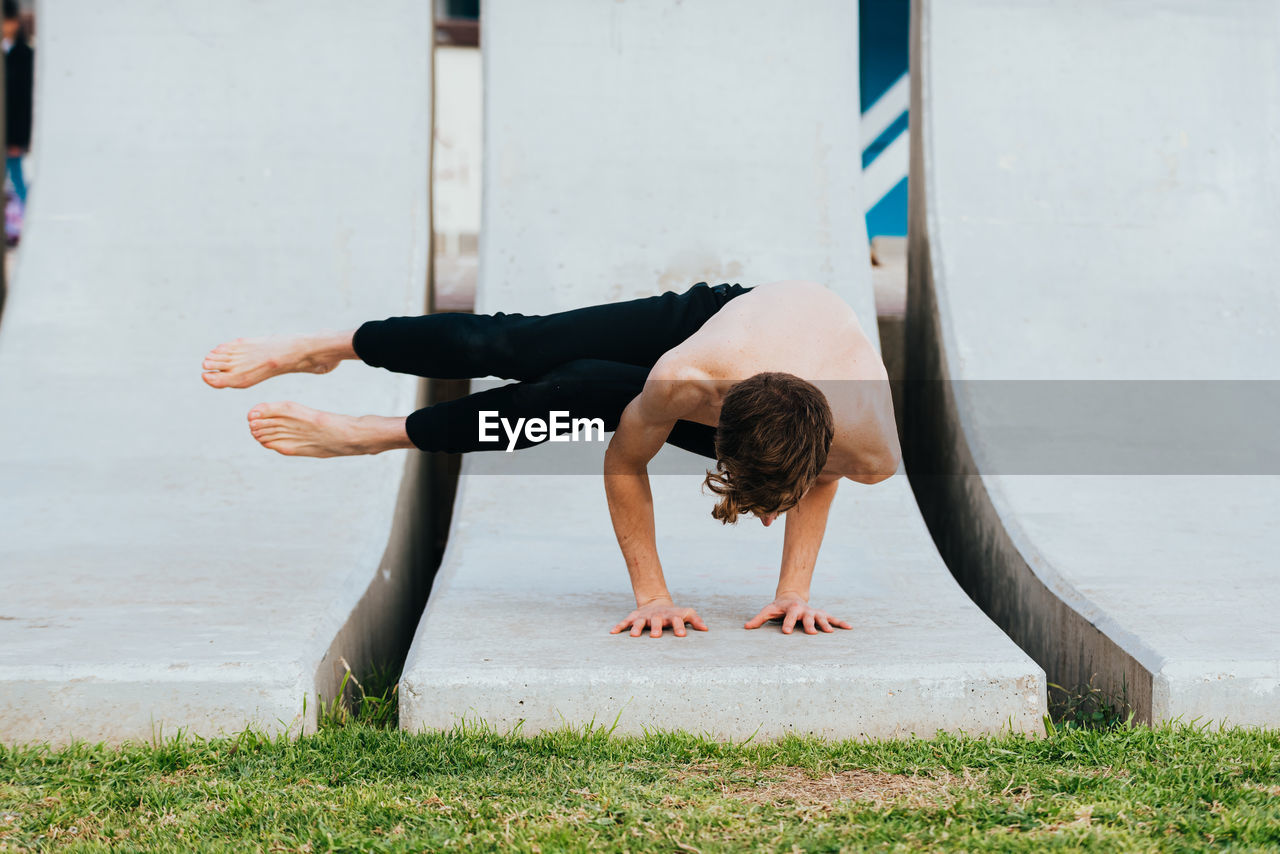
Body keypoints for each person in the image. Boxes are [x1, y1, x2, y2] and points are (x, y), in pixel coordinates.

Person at [202, 280, 901, 639]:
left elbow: (827, 474)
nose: (765, 517)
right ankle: (326, 346)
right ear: (716, 426)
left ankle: (377, 432)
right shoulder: (687, 377)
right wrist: (652, 595)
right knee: (519, 352)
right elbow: (625, 463)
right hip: (722, 321)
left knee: (582, 392)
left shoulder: (870, 448)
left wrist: (794, 592)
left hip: (799, 370)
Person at [3, 0, 33, 229]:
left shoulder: (24, 55)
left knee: (17, 180)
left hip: (12, 133)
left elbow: (25, 101)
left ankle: (31, 223)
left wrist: (19, 138)